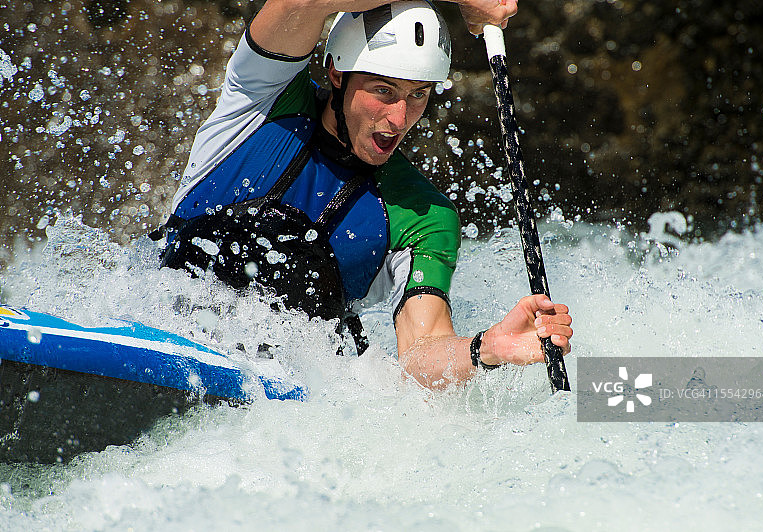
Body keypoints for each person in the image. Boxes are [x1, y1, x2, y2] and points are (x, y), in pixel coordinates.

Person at [156, 0, 573, 389]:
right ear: (337, 74)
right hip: (161, 320)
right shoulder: (262, 96)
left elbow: (421, 352)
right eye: (383, 91)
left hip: (279, 387)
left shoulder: (424, 215)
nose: (399, 117)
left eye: (418, 95)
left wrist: (488, 348)